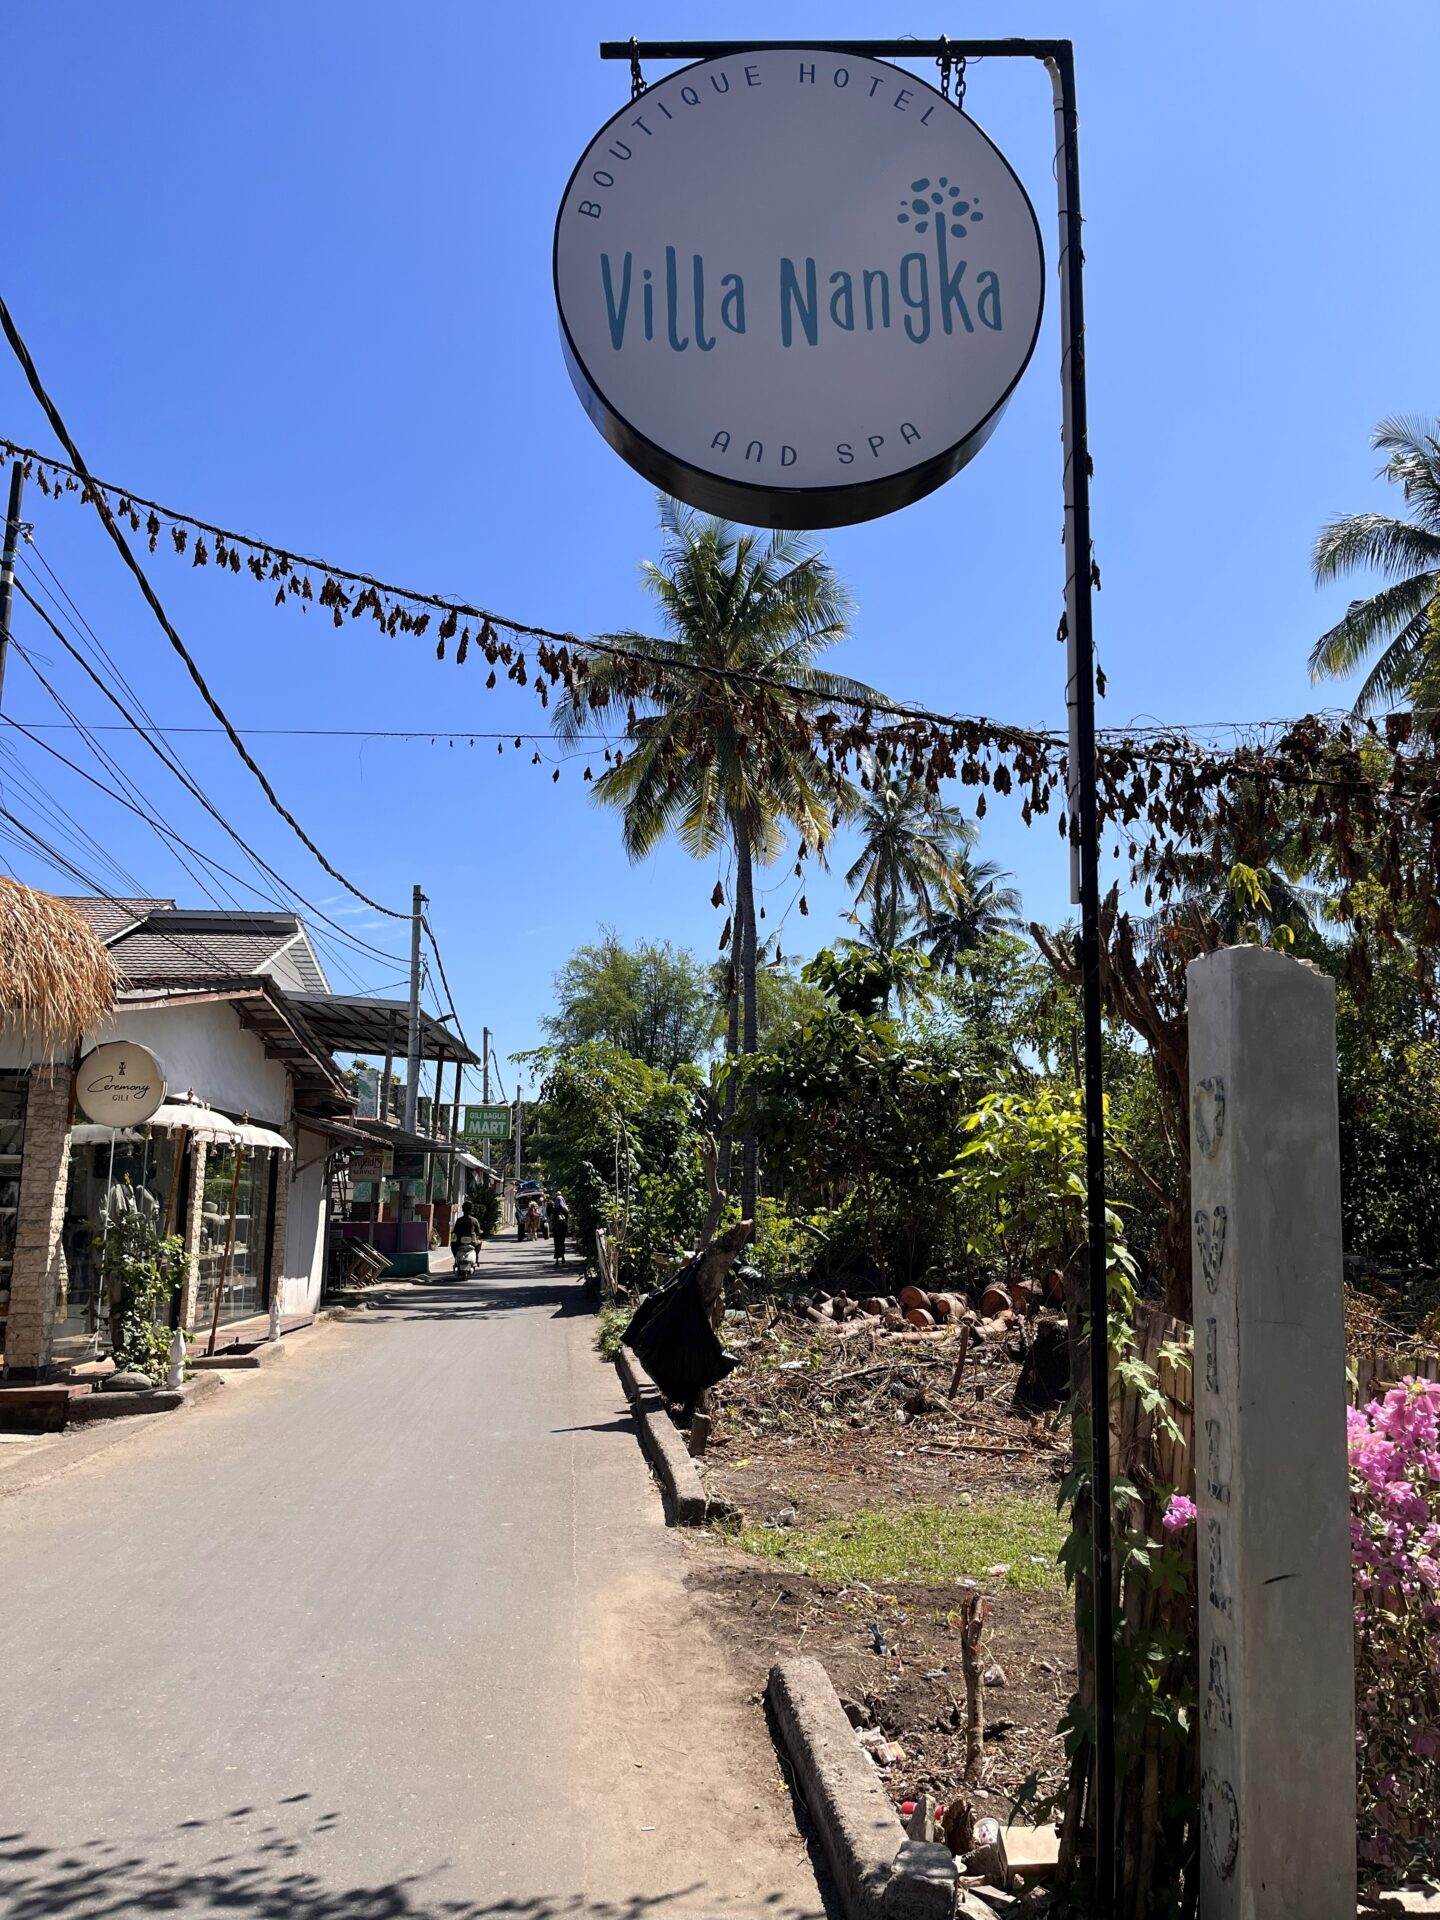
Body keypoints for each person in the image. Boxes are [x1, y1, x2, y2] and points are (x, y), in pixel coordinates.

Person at [550, 1193, 569, 1267]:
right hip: (563, 1229)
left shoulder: (555, 1209)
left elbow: (551, 1219)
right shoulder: (565, 1209)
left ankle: (557, 1259)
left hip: (556, 1229)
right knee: (562, 1242)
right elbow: (567, 1219)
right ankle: (563, 1257)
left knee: (557, 1243)